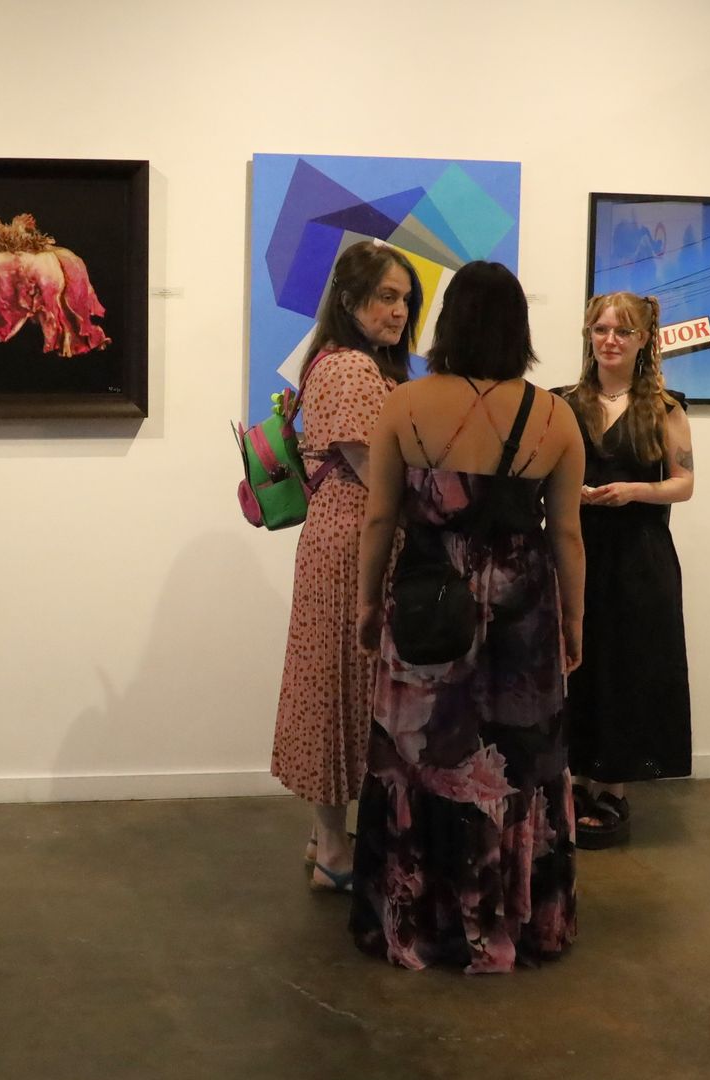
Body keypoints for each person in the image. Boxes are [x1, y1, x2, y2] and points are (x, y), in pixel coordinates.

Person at [350, 260, 585, 971]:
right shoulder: (555, 416)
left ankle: (419, 925)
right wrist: (575, 619)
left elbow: (381, 515)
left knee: (422, 759)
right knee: (518, 763)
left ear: (448, 321)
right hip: (525, 613)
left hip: (428, 603)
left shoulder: (406, 403)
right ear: (520, 328)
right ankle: (515, 926)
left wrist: (366, 602)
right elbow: (568, 534)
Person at [270, 240, 419, 893]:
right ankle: (334, 850)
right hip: (353, 546)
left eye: (407, 298)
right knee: (339, 692)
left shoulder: (338, 363)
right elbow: (376, 473)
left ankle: (323, 833)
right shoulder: (354, 372)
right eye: (387, 296)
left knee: (337, 686)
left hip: (341, 541)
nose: (399, 310)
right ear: (352, 298)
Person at [556, 293, 695, 848]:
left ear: (644, 339)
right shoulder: (565, 402)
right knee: (575, 663)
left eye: (622, 330)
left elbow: (683, 483)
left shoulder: (664, 406)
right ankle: (571, 777)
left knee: (628, 667)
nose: (609, 339)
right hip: (578, 549)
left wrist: (633, 492)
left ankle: (612, 786)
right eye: (600, 329)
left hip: (640, 554)